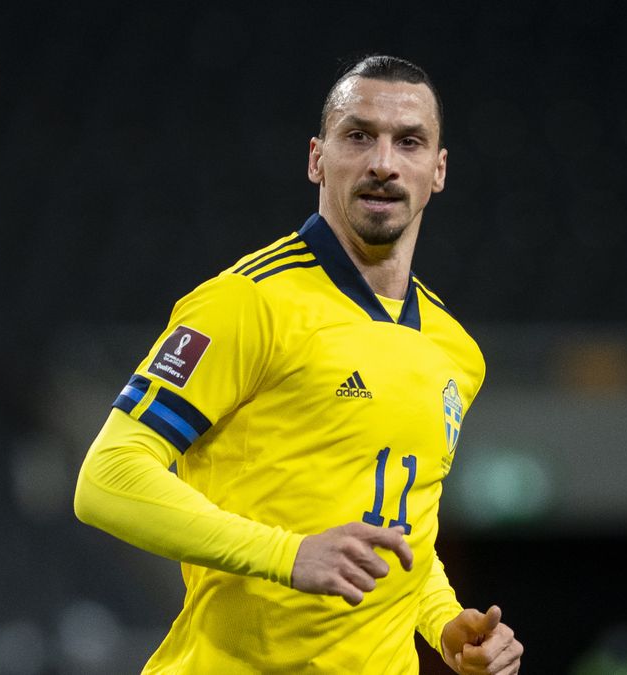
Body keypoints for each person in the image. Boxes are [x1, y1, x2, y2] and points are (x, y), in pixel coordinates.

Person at [75, 56, 523, 673]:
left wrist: (444, 622)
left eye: (410, 142)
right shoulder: (246, 302)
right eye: (359, 135)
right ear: (317, 157)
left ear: (437, 171)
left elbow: (402, 531)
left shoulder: (454, 349)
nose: (383, 163)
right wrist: (288, 554)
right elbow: (107, 478)